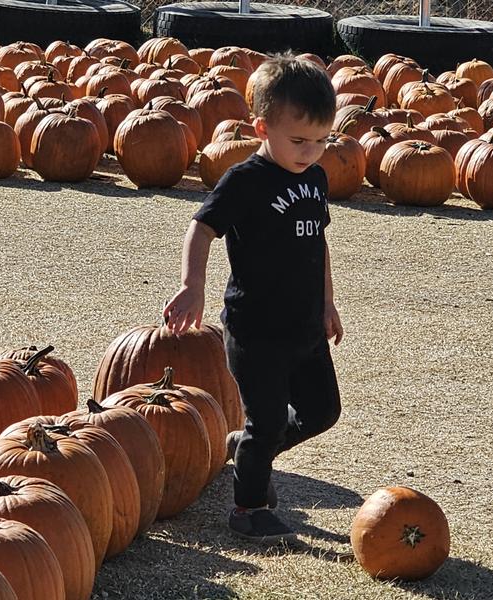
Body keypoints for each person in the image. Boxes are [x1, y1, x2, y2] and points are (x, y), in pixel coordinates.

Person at [162, 53, 344, 544]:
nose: (310, 152)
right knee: (266, 421)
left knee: (322, 411)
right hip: (256, 330)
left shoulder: (315, 178)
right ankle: (248, 509)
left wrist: (327, 303)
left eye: (322, 140)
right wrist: (192, 286)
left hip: (304, 326)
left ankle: (248, 450)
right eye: (299, 141)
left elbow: (317, 243)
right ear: (262, 128)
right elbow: (202, 228)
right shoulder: (245, 180)